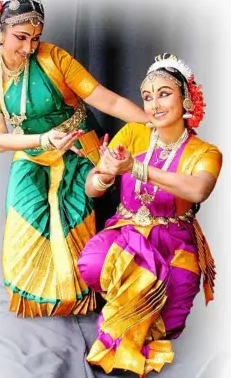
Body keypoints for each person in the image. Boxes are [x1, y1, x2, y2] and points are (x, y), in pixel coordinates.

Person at [0, 0, 147, 318]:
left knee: (76, 219)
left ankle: (76, 298)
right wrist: (42, 140)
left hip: (78, 146)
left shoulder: (54, 58)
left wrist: (151, 124)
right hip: (32, 150)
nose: (29, 47)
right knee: (23, 222)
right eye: (21, 38)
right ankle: (39, 300)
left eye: (34, 38)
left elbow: (106, 100)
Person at [78, 53, 223, 377]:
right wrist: (106, 174)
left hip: (176, 244)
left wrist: (138, 168)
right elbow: (91, 189)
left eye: (164, 93)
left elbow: (198, 190)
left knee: (170, 324)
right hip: (127, 231)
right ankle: (131, 305)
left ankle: (135, 304)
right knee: (91, 264)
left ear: (185, 98)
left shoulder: (206, 152)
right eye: (147, 96)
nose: (154, 104)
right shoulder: (133, 133)